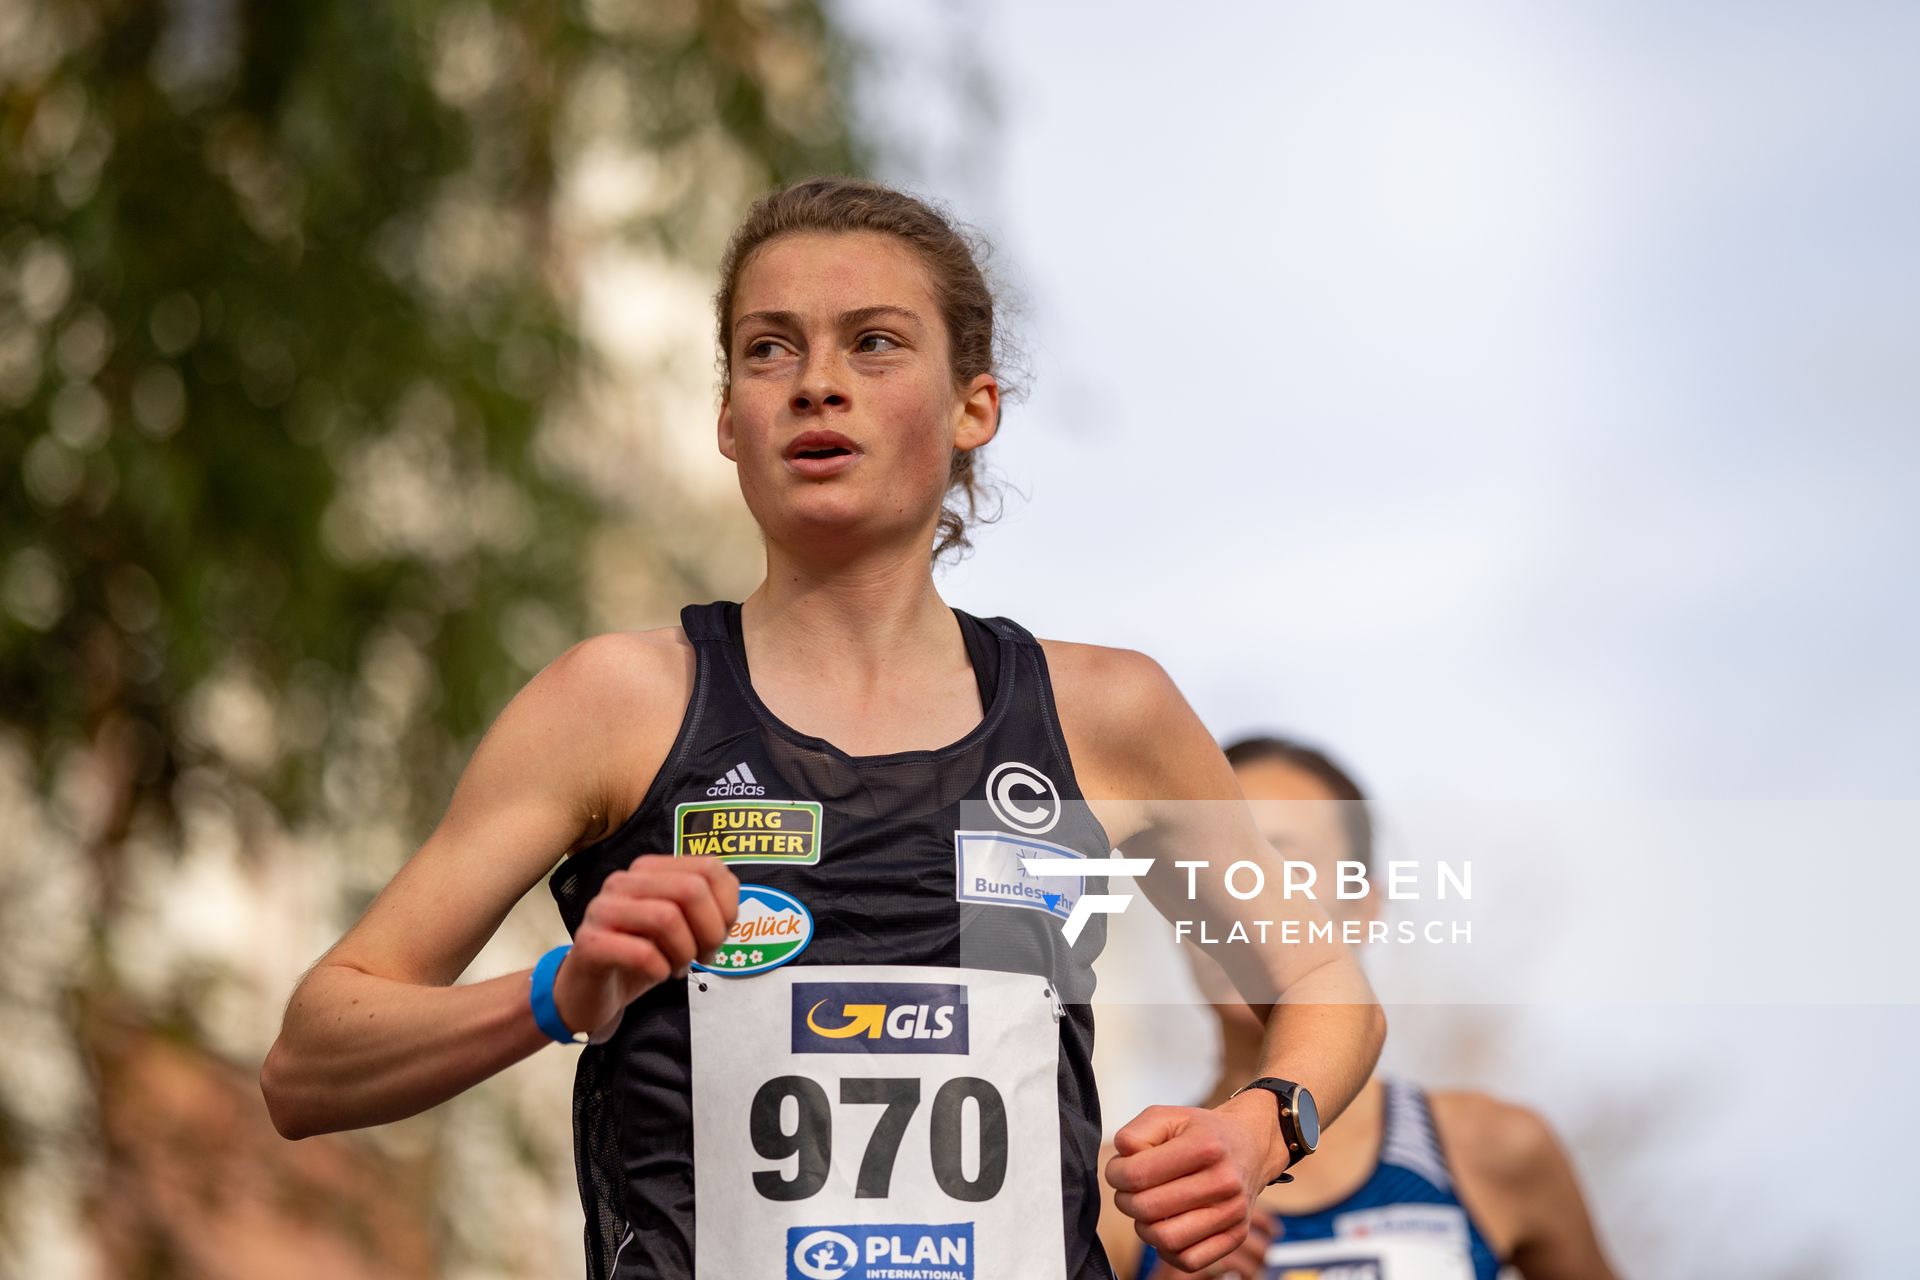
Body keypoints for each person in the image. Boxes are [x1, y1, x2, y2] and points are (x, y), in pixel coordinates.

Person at [259, 178, 1385, 1279]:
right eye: (770, 348)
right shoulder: (615, 703)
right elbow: (308, 1063)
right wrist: (561, 990)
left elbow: (1328, 990)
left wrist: (1254, 1129)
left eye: (875, 342)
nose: (816, 384)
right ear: (727, 424)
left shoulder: (1108, 714)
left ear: (972, 407)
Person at [1105, 736, 1617, 1280]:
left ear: (1364, 908)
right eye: (1202, 873)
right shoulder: (1116, 1191)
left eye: (1283, 870)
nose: (1236, 906)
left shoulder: (1495, 1149)